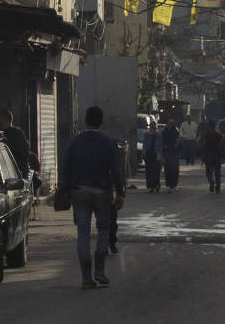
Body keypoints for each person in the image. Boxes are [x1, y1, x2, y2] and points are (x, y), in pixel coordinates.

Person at [63, 105, 124, 288]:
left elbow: (66, 168)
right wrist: (120, 192)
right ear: (101, 121)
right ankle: (99, 271)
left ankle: (86, 278)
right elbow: (116, 170)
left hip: (79, 193)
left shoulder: (74, 141)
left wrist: (66, 190)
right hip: (102, 194)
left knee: (83, 233)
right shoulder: (108, 142)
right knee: (103, 230)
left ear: (85, 120)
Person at [200, 119, 225, 193]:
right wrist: (222, 156)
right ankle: (218, 188)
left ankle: (211, 182)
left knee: (208, 172)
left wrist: (202, 156)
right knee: (217, 173)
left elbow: (203, 146)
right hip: (217, 155)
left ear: (209, 127)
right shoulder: (218, 135)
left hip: (209, 156)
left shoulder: (206, 135)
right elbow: (221, 146)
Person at [139, 121, 162, 193]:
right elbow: (145, 145)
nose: (152, 127)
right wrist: (143, 153)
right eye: (151, 126)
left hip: (156, 154)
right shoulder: (146, 134)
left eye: (153, 126)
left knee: (156, 171)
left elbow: (160, 145)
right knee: (149, 171)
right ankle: (151, 186)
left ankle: (157, 185)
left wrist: (160, 155)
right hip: (149, 154)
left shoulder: (158, 134)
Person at [160, 117, 180, 192]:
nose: (169, 125)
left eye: (170, 124)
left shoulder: (176, 132)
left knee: (174, 170)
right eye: (168, 124)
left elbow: (179, 142)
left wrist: (177, 148)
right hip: (167, 153)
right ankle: (169, 185)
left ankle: (174, 185)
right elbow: (161, 142)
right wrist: (163, 146)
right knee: (167, 170)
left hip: (174, 154)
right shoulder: (164, 132)